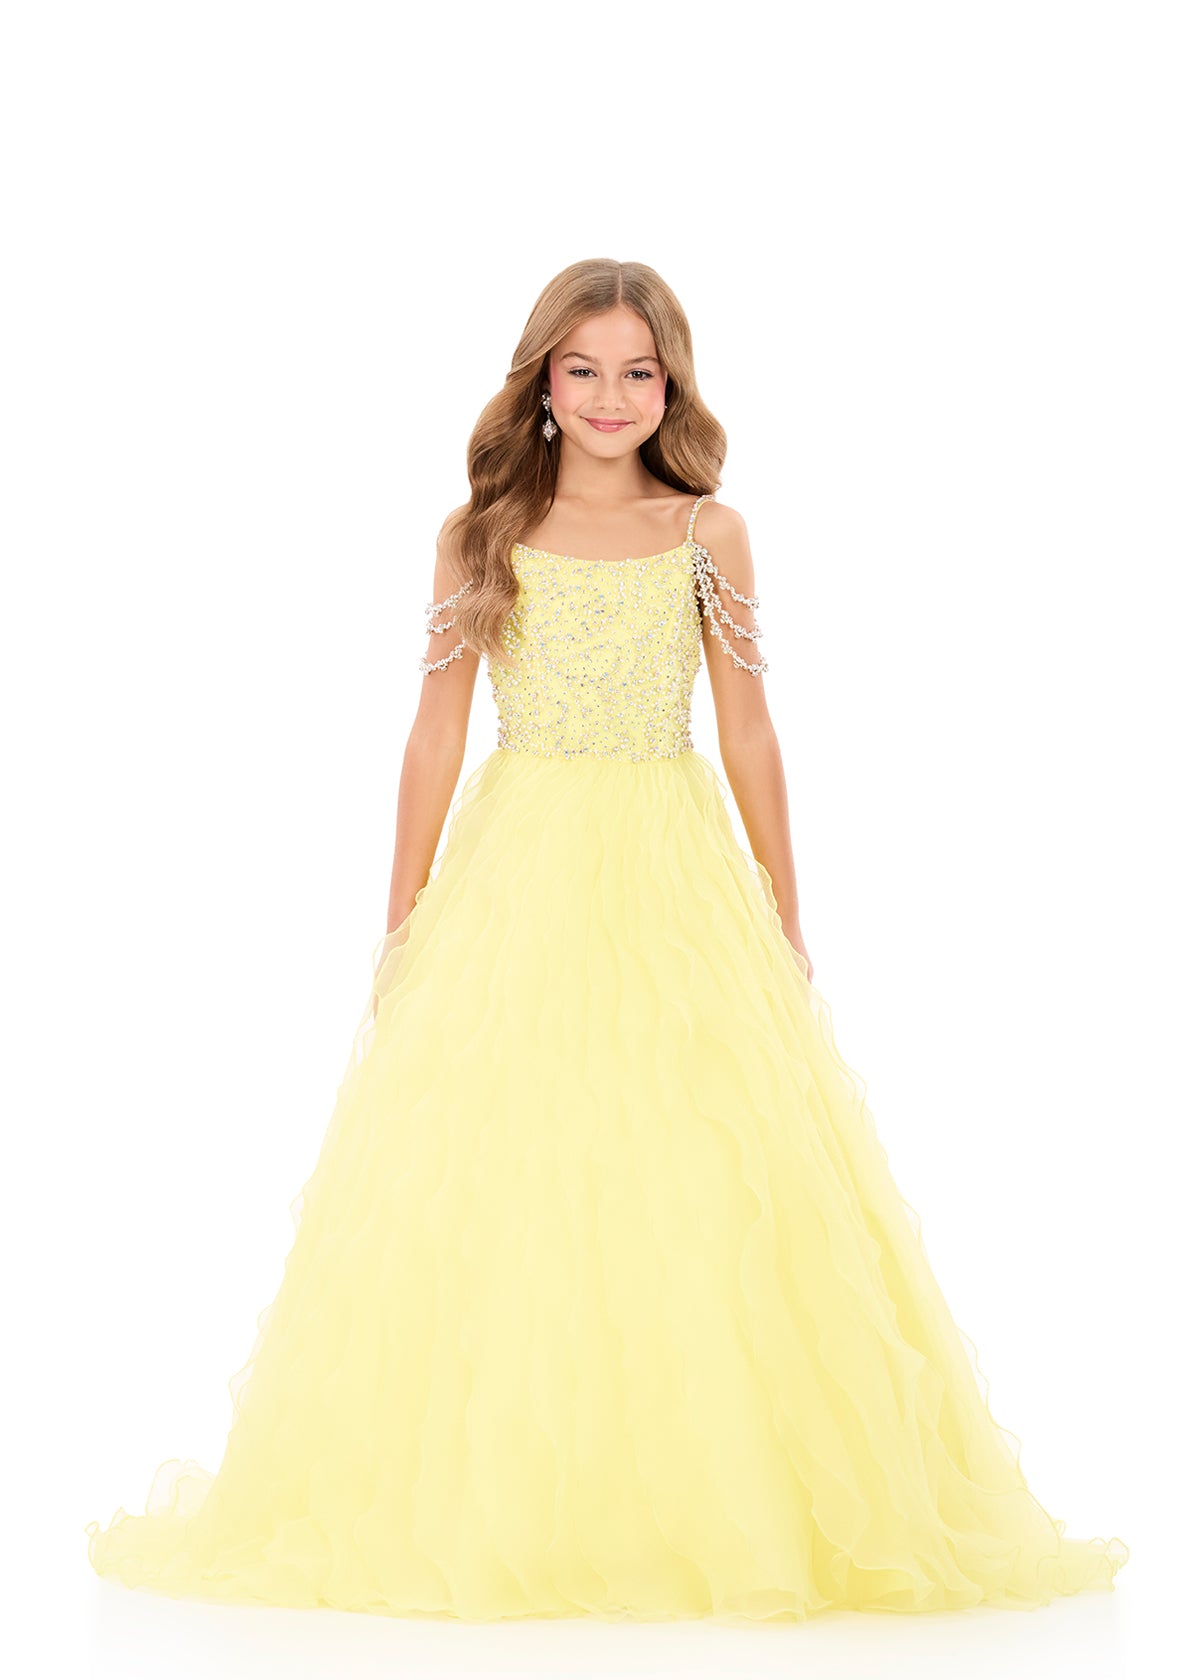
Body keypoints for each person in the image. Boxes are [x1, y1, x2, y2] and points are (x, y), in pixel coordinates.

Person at [85, 257, 1129, 1623]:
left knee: (696, 1156)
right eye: (582, 369)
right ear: (541, 382)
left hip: (672, 863)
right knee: (512, 1160)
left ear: (671, 386)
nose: (610, 396)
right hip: (519, 866)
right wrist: (401, 923)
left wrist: (785, 912)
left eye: (639, 371)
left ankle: (695, 1495)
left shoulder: (708, 531)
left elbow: (749, 727)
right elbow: (433, 733)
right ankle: (515, 1500)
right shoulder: (482, 536)